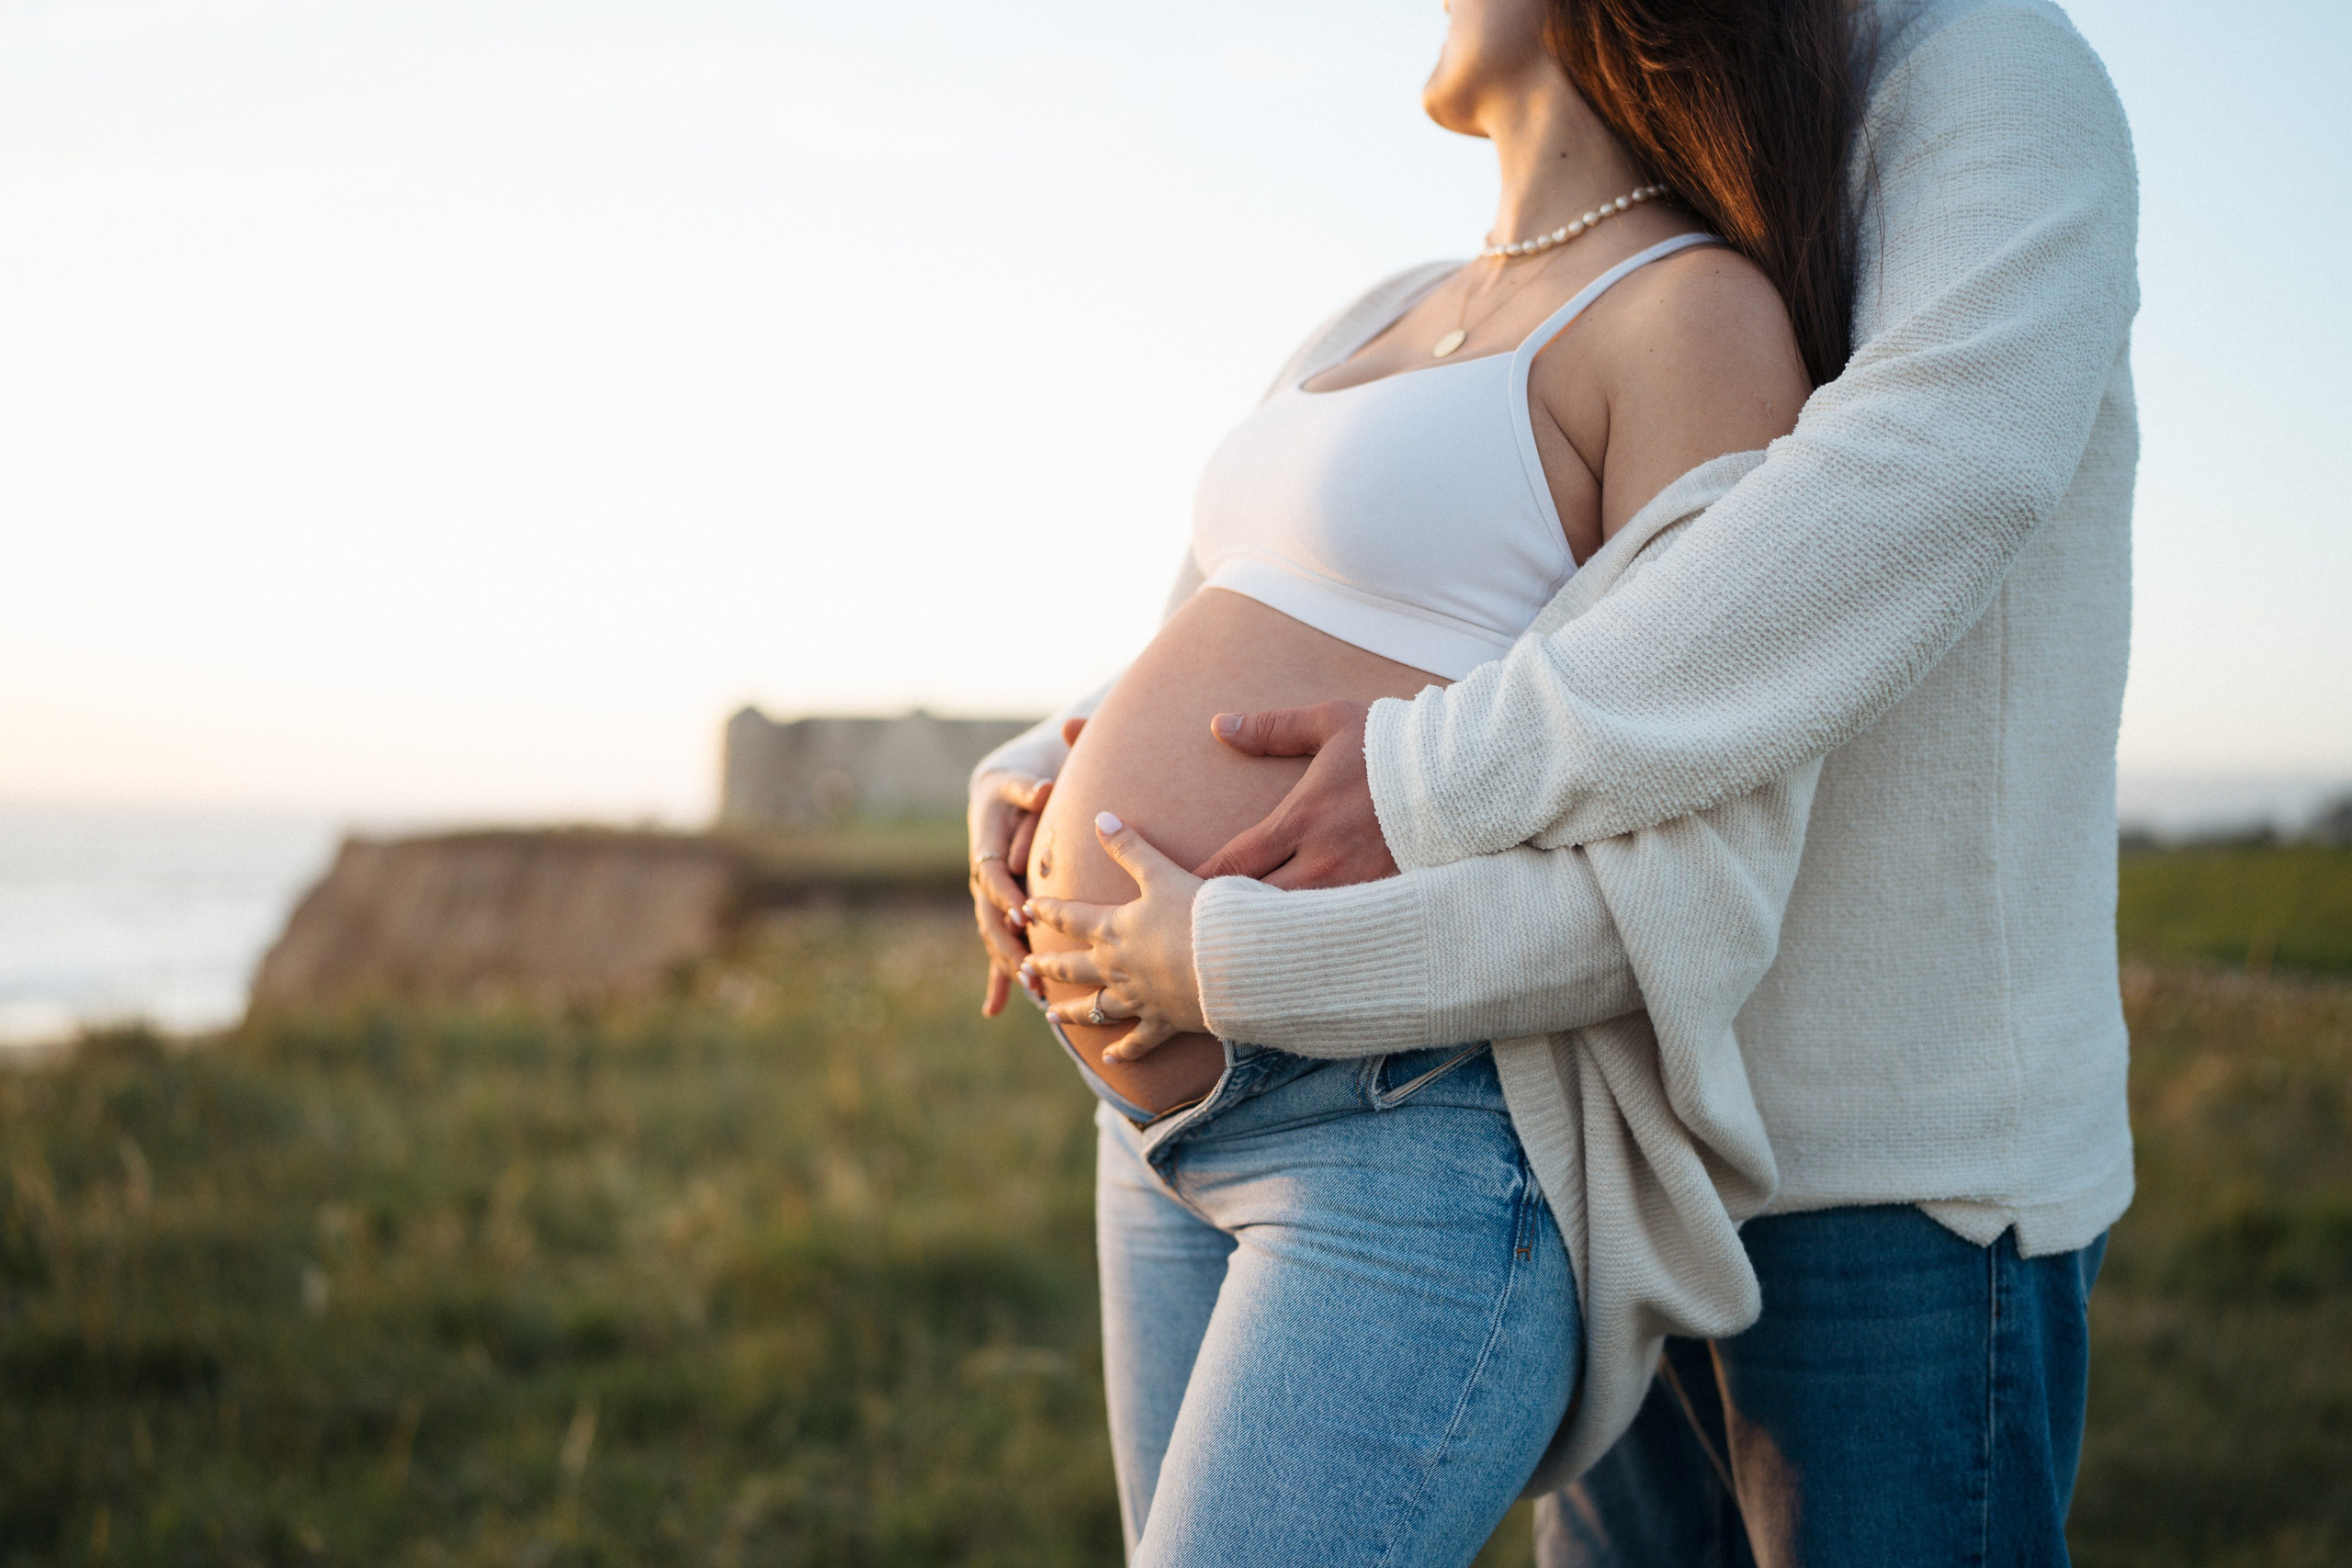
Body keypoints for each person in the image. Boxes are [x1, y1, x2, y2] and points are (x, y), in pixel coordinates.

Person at [985, 0, 2141, 1561]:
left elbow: (1923, 478)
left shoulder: (1975, 74)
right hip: (1608, 1094)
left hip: (1874, 1137)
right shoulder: (1413, 297)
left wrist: (1408, 794)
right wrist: (1060, 760)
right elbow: (1311, 603)